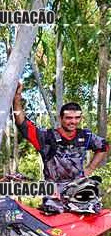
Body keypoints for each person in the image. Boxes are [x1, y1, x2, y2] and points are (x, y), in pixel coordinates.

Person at [13, 82, 108, 213]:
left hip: (78, 189)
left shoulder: (85, 136)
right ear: (61, 118)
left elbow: (103, 146)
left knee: (91, 215)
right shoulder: (47, 137)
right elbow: (23, 125)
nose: (73, 121)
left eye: (77, 118)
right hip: (54, 193)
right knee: (54, 220)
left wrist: (90, 168)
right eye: (69, 118)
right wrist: (17, 97)